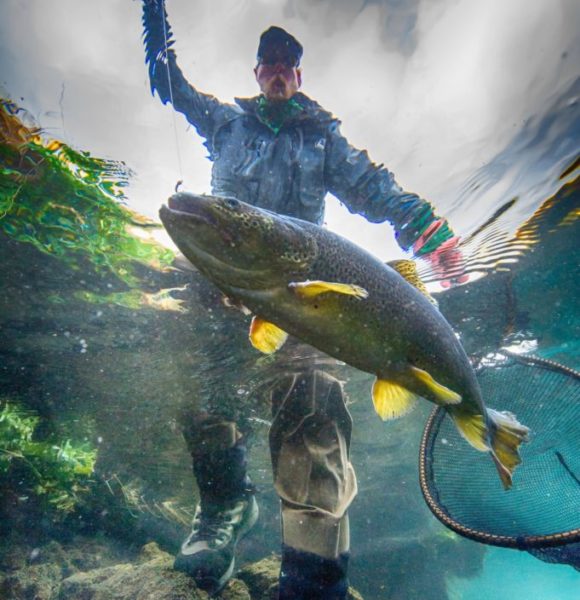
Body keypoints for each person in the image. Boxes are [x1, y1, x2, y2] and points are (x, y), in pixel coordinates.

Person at [142, 2, 464, 597]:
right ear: (257, 72)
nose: (277, 71)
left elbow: (372, 187)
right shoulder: (224, 122)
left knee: (313, 405)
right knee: (202, 393)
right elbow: (171, 88)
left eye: (288, 63)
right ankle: (223, 511)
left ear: (299, 75)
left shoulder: (322, 137)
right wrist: (153, 25)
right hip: (219, 289)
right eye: (268, 63)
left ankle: (316, 569)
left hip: (310, 295)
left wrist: (429, 232)